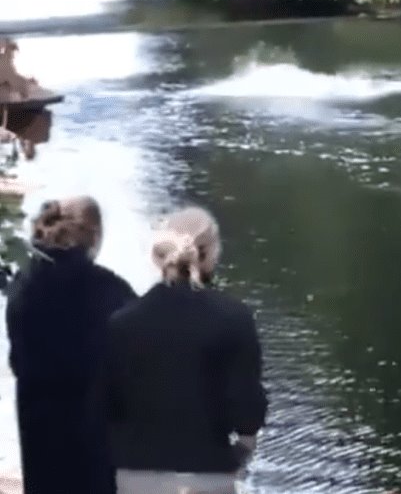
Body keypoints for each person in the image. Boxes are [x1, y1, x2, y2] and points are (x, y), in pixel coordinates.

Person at [102, 206, 268, 494]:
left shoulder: (122, 323)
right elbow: (248, 410)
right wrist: (241, 451)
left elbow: (105, 406)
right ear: (212, 253)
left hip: (136, 475)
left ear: (158, 255)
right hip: (209, 474)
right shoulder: (235, 318)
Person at [4, 196, 136, 494]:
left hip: (39, 426)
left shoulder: (23, 286)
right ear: (95, 237)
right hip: (96, 434)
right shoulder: (112, 290)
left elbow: (17, 361)